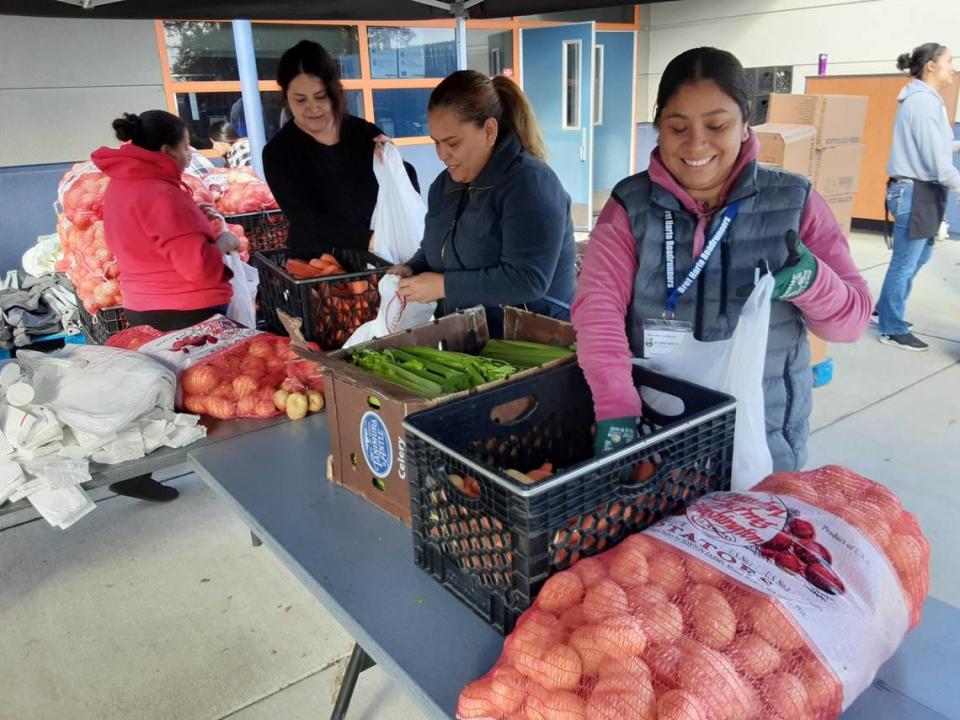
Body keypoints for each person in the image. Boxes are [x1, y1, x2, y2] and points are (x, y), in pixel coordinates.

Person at [572, 47, 871, 471]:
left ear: (746, 124)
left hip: (764, 435)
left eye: (717, 125)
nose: (696, 144)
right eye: (677, 127)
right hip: (656, 434)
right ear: (658, 127)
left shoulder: (793, 200)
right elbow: (598, 313)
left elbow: (851, 324)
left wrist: (815, 284)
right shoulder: (631, 205)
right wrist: (616, 407)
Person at [92, 110, 240, 502]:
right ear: (165, 149)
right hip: (186, 309)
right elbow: (200, 267)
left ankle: (137, 468)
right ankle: (228, 469)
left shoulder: (123, 184)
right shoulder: (160, 192)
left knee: (160, 395)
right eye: (186, 145)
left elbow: (152, 241)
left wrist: (198, 221)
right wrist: (223, 244)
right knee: (207, 393)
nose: (190, 153)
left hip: (143, 303)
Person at [391, 70, 576, 336]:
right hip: (471, 340)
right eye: (436, 143)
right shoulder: (444, 186)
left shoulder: (530, 183)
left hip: (536, 342)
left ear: (489, 130)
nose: (442, 154)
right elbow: (436, 246)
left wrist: (444, 286)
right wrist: (413, 268)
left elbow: (527, 279)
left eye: (452, 142)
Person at [263, 40, 419, 259]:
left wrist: (394, 162)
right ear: (285, 95)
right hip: (321, 265)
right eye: (300, 99)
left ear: (335, 90)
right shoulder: (279, 152)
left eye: (320, 96)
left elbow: (405, 186)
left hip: (381, 257)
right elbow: (308, 220)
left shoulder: (364, 133)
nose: (313, 108)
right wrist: (373, 240)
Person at [876, 43, 960, 351]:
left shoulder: (926, 100)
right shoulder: (922, 103)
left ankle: (884, 310)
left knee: (918, 257)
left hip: (921, 190)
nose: (953, 66)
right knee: (905, 260)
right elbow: (936, 162)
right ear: (931, 66)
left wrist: (957, 145)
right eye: (949, 61)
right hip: (916, 190)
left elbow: (937, 148)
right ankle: (891, 326)